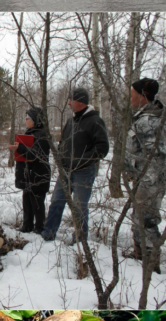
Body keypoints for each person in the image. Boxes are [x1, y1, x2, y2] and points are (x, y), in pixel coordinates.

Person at [41, 86, 109, 243]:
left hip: (84, 172)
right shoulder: (71, 120)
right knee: (57, 200)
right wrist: (60, 155)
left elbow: (102, 148)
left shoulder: (95, 121)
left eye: (71, 99)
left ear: (81, 101)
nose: (69, 103)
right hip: (66, 170)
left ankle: (80, 238)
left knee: (79, 206)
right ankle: (48, 232)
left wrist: (81, 161)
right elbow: (64, 141)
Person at [124, 77, 166, 270]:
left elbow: (157, 155)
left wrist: (144, 177)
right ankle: (140, 253)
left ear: (143, 96)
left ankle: (151, 264)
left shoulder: (150, 120)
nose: (131, 99)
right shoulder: (147, 117)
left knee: (147, 219)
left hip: (149, 179)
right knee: (139, 216)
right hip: (143, 178)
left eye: (133, 95)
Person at [13, 106, 51, 234]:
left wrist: (20, 148)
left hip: (38, 174)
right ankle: (27, 225)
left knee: (37, 202)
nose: (25, 120)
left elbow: (35, 155)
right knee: (27, 200)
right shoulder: (29, 133)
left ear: (36, 120)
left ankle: (39, 227)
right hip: (28, 175)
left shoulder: (42, 135)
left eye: (28, 118)